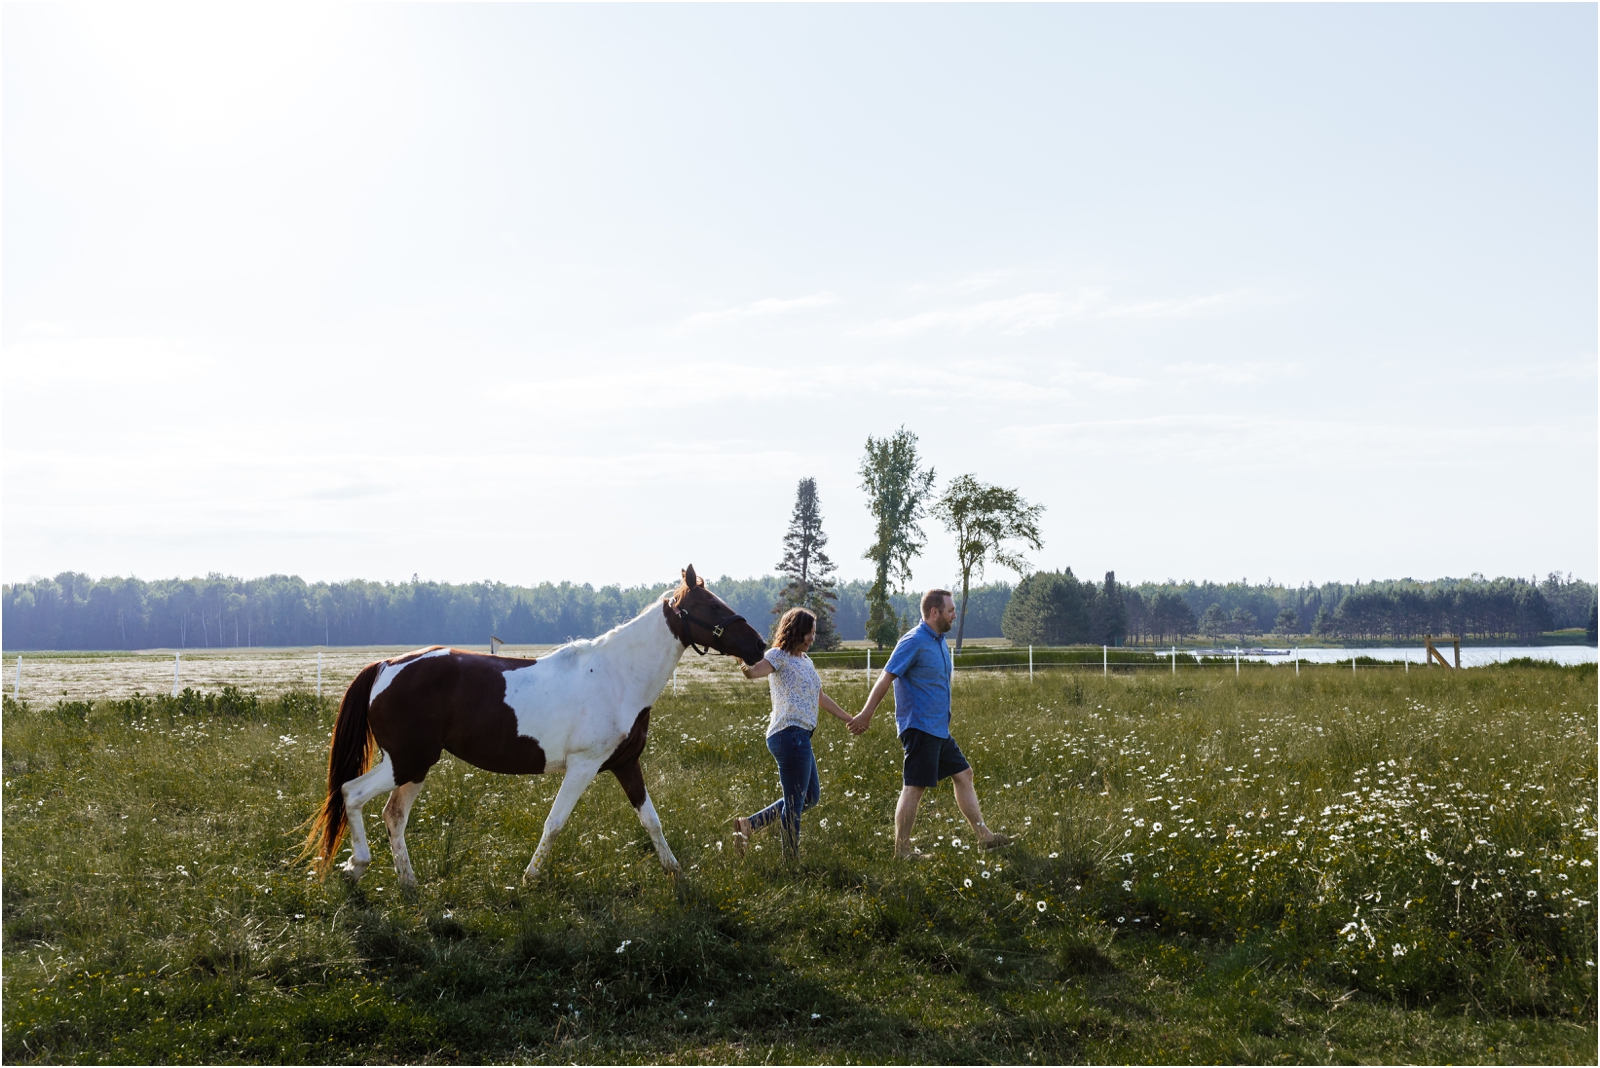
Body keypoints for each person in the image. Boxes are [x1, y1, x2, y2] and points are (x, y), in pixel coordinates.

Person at [849, 589, 1012, 858]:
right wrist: (867, 713)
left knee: (964, 774)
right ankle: (901, 851)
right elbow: (886, 677)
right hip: (920, 727)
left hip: (938, 729)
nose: (954, 615)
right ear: (934, 612)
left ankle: (985, 837)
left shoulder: (939, 641)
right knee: (914, 788)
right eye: (950, 611)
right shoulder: (913, 641)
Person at [731, 607, 855, 857]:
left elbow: (820, 696)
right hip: (788, 734)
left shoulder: (806, 661)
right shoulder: (779, 655)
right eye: (808, 633)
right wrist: (740, 658)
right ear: (795, 631)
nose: (812, 638)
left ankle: (749, 825)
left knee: (809, 797)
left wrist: (848, 718)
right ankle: (790, 859)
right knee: (796, 802)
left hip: (800, 736)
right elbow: (753, 673)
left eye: (814, 633)